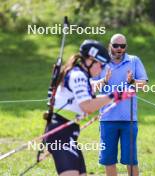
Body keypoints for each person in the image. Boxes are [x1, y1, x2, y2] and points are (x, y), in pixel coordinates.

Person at [45, 39, 134, 176]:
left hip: (68, 133)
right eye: (101, 64)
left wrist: (118, 94)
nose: (102, 69)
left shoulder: (81, 75)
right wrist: (115, 96)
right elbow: (87, 106)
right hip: (60, 134)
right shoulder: (78, 75)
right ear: (91, 60)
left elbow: (91, 95)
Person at [97, 34, 148, 176]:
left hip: (129, 120)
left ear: (126, 47)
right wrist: (104, 81)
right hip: (107, 120)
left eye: (122, 46)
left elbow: (143, 85)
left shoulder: (134, 61)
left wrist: (132, 82)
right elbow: (92, 86)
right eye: (116, 45)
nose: (119, 48)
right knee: (109, 160)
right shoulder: (101, 63)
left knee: (131, 160)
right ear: (110, 46)